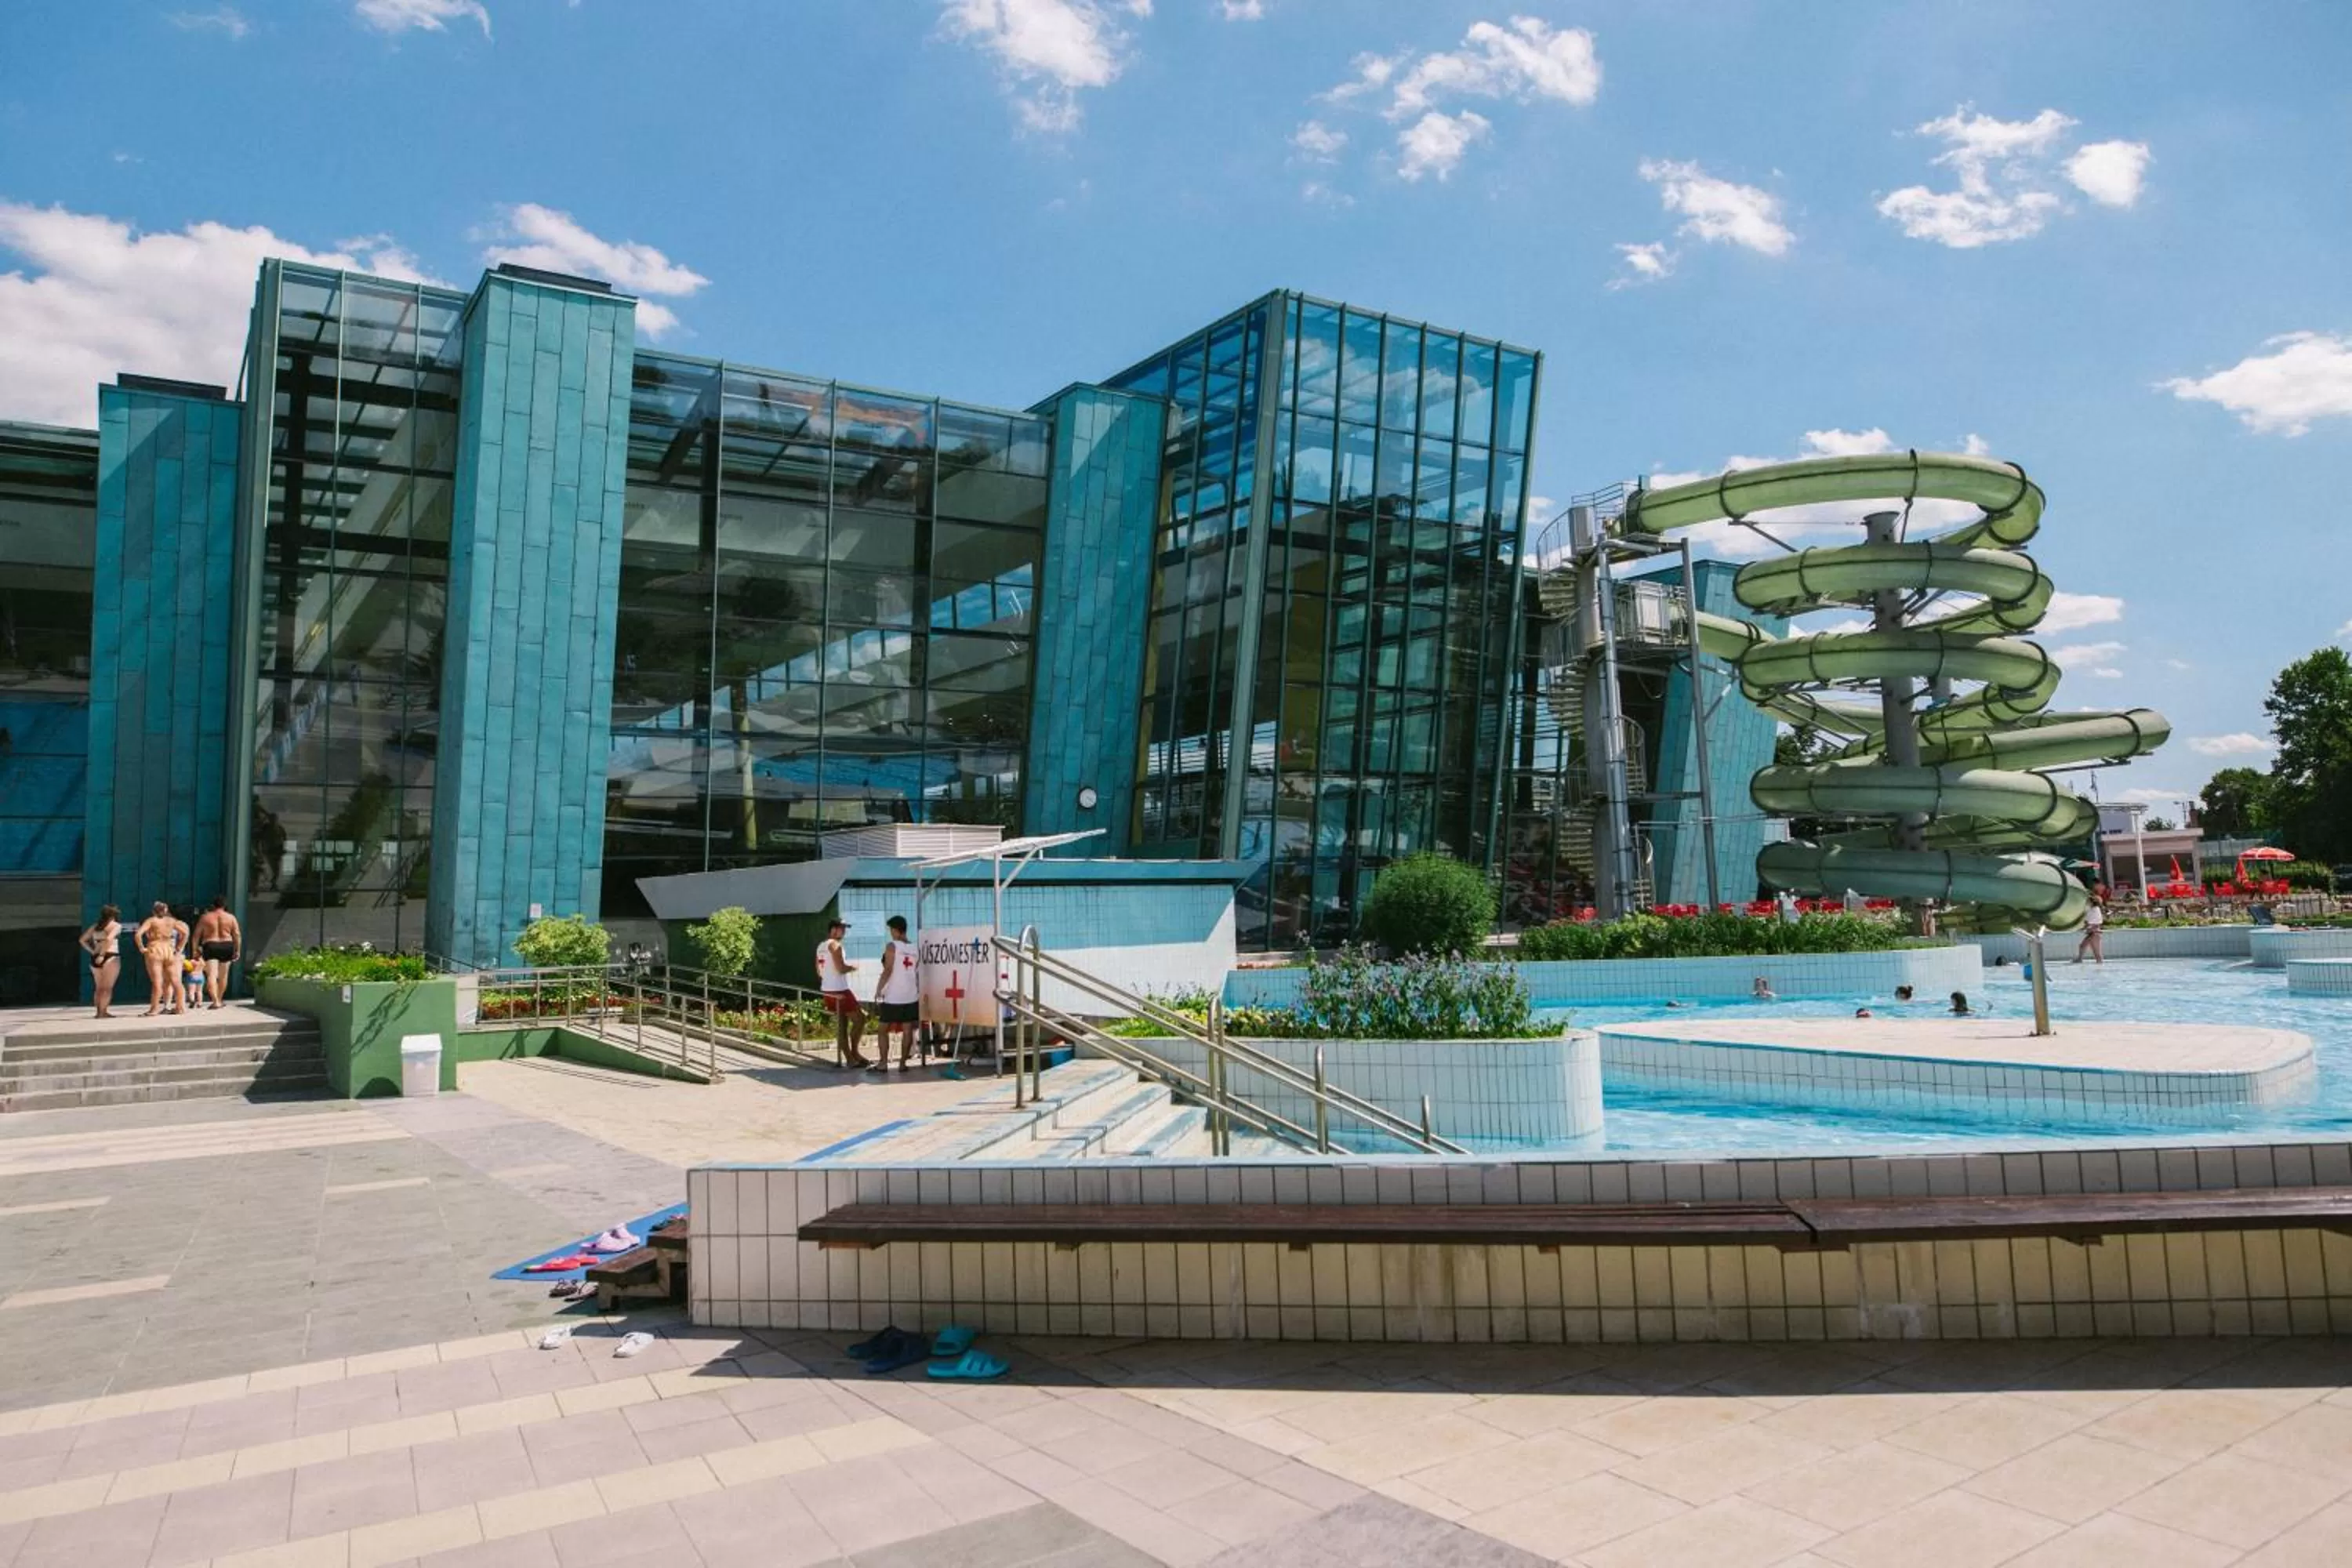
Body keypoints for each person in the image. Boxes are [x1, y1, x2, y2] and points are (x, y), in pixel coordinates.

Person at [815, 916, 868, 1068]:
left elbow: (819, 971)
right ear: (833, 929)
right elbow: (841, 968)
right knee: (861, 1019)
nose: (844, 931)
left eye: (845, 929)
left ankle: (850, 1059)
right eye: (841, 928)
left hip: (827, 990)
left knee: (842, 1025)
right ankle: (855, 1053)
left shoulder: (820, 946)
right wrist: (854, 968)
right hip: (840, 990)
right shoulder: (835, 945)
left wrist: (828, 979)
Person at [871, 915, 921, 1073]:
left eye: (891, 930)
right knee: (907, 1030)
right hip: (911, 994)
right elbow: (915, 969)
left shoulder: (892, 946)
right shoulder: (915, 948)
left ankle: (883, 1063)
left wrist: (879, 989)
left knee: (882, 1029)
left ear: (896, 930)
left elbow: (888, 969)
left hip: (893, 996)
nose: (891, 933)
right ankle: (902, 1064)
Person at [135, 902, 184, 1017]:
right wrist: (179, 947)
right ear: (165, 911)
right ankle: (180, 1007)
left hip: (155, 948)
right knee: (176, 980)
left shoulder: (151, 921)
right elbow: (185, 933)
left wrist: (142, 948)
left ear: (153, 911)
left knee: (157, 981)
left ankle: (154, 1009)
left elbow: (138, 934)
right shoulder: (171, 921)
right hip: (168, 949)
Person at [193, 896, 241, 1010]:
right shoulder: (231, 918)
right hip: (227, 945)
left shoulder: (205, 918)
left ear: (213, 906)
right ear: (224, 906)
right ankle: (219, 999)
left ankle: (215, 1001)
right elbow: (237, 935)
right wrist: (238, 950)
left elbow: (196, 936)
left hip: (211, 945)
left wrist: (195, 950)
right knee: (224, 976)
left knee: (212, 975)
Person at [79, 905, 122, 1019]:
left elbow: (82, 940)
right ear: (114, 915)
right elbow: (109, 939)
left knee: (99, 987)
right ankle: (103, 1012)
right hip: (110, 955)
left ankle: (99, 1012)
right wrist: (103, 955)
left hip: (96, 956)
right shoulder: (116, 926)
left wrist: (93, 951)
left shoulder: (96, 926)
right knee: (107, 988)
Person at [2074, 895, 2106, 965]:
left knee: (2096, 953)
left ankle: (2099, 966)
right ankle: (2079, 959)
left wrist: (2082, 928)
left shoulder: (2095, 910)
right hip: (2092, 933)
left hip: (2095, 933)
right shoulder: (2093, 909)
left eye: (2088, 902)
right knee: (2082, 946)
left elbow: (2090, 922)